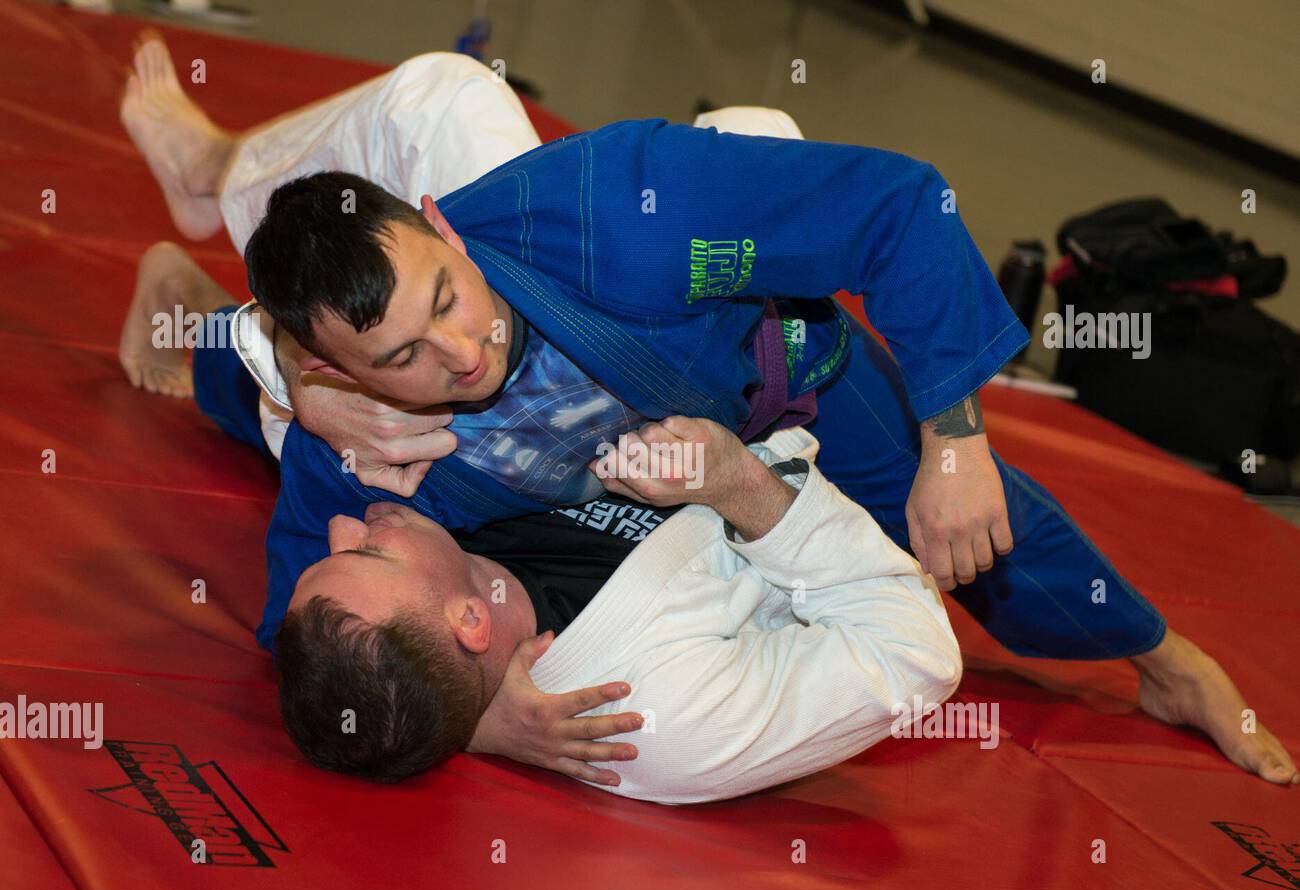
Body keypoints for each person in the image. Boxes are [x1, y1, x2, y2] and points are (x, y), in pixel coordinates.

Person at [119, 33, 1297, 786]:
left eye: (449, 295)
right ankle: (200, 310)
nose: (462, 347)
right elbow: (314, 630)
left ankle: (1160, 656)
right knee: (285, 424)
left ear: (442, 221)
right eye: (405, 356)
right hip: (542, 463)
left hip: (757, 379)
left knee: (975, 529)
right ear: (352, 374)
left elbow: (899, 208)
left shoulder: (619, 212)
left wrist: (956, 436)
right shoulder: (363, 436)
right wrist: (476, 720)